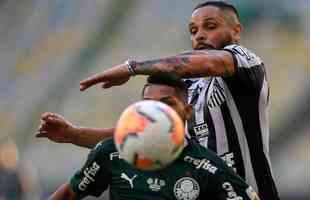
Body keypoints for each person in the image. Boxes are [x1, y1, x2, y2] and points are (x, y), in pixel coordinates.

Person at [38, 1, 279, 199]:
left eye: (210, 26)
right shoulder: (188, 91)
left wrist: (132, 68)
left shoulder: (246, 63)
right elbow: (144, 135)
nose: (200, 35)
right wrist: (73, 135)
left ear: (236, 31)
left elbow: (212, 62)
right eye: (193, 31)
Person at [48, 75, 260, 200]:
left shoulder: (207, 167)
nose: (156, 111)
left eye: (167, 103)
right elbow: (69, 194)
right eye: (148, 103)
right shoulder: (111, 153)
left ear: (187, 111)